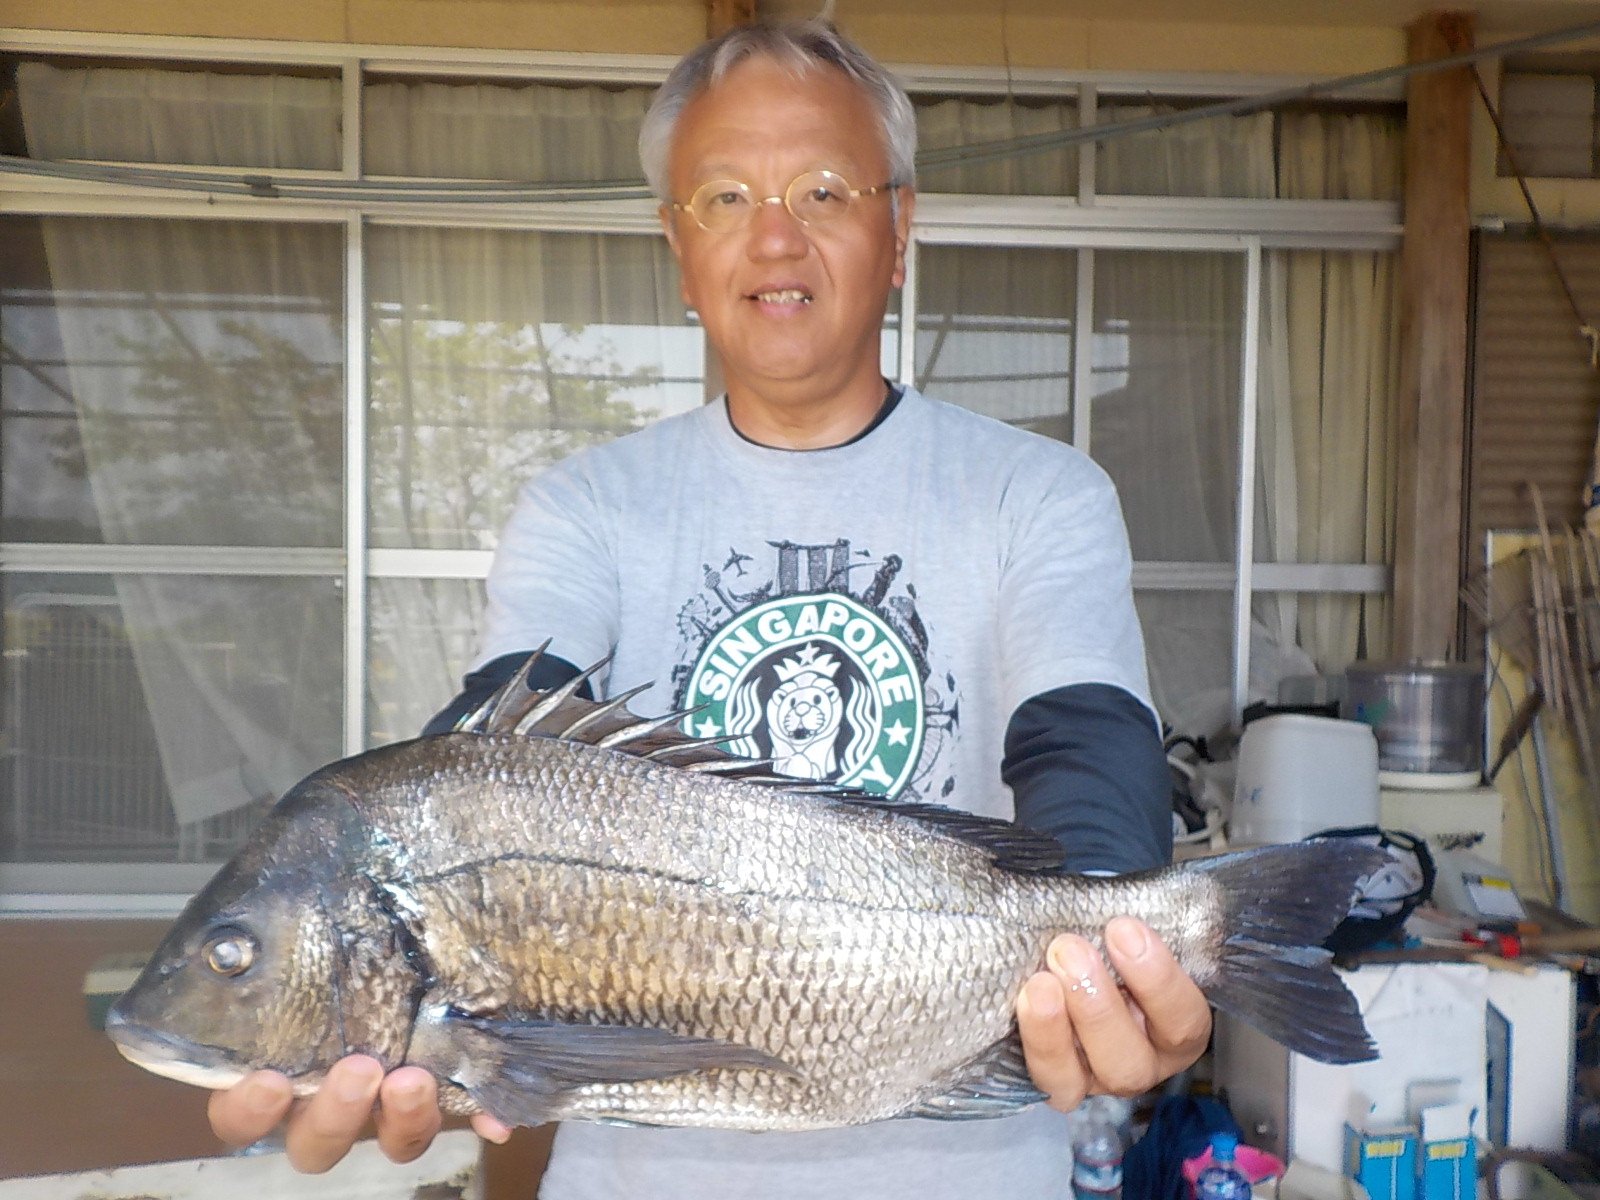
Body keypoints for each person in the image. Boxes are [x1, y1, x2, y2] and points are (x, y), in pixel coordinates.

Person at [207, 18, 1214, 1195]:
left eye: (824, 190)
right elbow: (493, 746)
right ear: (676, 249)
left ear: (900, 232)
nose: (774, 236)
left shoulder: (1035, 491)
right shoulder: (590, 506)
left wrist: (1117, 948)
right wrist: (369, 971)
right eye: (725, 197)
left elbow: (1081, 734)